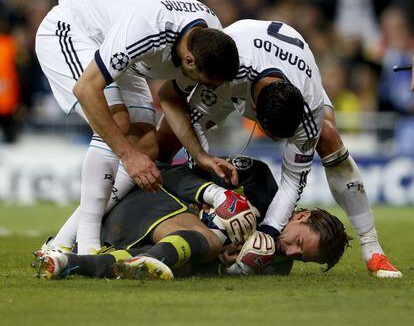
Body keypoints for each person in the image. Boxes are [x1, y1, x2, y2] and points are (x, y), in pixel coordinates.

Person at [157, 19, 402, 278]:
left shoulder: (309, 106)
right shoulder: (228, 73)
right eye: (274, 136)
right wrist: (205, 186)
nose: (276, 142)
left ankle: (372, 249)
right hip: (237, 55)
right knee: (169, 137)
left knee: (327, 134)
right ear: (257, 118)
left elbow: (293, 179)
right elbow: (191, 123)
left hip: (296, 73)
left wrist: (269, 233)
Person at [35, 0, 239, 255]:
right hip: (71, 30)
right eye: (205, 82)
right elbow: (86, 89)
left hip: (116, 46)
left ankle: (60, 242)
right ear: (189, 60)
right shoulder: (147, 29)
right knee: (116, 124)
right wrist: (128, 157)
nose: (208, 90)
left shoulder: (210, 37)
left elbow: (172, 101)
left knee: (146, 146)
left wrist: (199, 155)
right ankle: (87, 247)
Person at [32, 156, 351, 280]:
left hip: (127, 237)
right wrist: (211, 195)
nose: (291, 253)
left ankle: (69, 263)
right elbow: (166, 174)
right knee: (209, 241)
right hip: (140, 205)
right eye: (298, 242)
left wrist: (229, 267)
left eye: (302, 257)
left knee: (182, 266)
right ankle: (140, 260)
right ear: (302, 215)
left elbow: (213, 274)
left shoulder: (275, 265)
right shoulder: (257, 181)